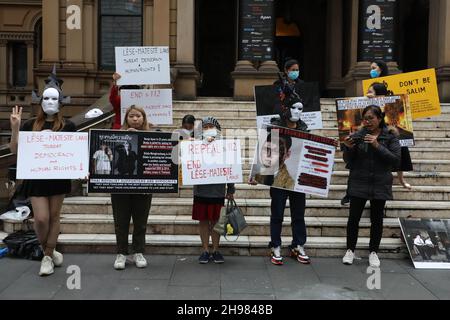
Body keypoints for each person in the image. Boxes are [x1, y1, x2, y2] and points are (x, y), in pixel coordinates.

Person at [9, 69, 76, 276]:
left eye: (53, 98)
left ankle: (47, 255)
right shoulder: (30, 125)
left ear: (60, 102)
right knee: (41, 219)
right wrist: (15, 128)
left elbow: (75, 153)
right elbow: (15, 151)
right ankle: (49, 248)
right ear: (40, 101)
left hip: (58, 177)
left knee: (54, 217)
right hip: (36, 178)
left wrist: (81, 169)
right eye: (45, 98)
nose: (49, 102)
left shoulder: (68, 126)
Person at [249, 94, 311, 266]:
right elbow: (263, 149)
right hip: (276, 179)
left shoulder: (305, 129)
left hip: (299, 179)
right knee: (277, 213)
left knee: (299, 214)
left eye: (301, 108)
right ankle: (275, 244)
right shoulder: (274, 127)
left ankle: (298, 244)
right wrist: (255, 173)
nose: (297, 111)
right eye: (294, 107)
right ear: (286, 109)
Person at [342, 105, 401, 268]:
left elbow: (396, 160)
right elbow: (349, 161)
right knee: (353, 218)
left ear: (379, 118)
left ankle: (373, 252)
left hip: (380, 183)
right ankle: (350, 250)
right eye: (365, 119)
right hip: (359, 181)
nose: (367, 122)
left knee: (377, 219)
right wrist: (348, 148)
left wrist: (377, 146)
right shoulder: (358, 136)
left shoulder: (390, 137)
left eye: (371, 118)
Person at [111, 105, 153, 270]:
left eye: (138, 116)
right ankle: (121, 253)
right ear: (126, 119)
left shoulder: (152, 136)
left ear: (144, 118)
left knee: (141, 221)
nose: (135, 119)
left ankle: (138, 251)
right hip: (120, 186)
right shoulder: (116, 136)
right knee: (121, 221)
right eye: (131, 116)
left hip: (143, 186)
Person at [193, 117, 235, 264]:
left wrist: (231, 189)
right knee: (203, 221)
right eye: (205, 127)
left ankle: (216, 250)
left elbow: (231, 167)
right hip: (200, 190)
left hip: (218, 191)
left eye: (211, 126)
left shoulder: (226, 146)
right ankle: (205, 250)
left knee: (217, 221)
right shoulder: (194, 146)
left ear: (218, 129)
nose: (208, 129)